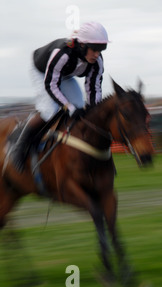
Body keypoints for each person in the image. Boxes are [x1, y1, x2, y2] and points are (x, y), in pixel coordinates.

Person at [10, 21, 109, 173]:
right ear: (82, 45)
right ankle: (19, 144)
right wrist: (68, 107)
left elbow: (94, 88)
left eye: (101, 49)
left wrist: (94, 113)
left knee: (78, 105)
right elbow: (51, 85)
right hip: (42, 72)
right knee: (49, 110)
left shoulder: (97, 62)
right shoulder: (62, 53)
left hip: (64, 75)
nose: (97, 54)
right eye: (94, 49)